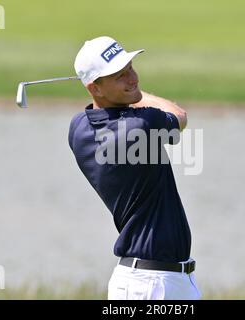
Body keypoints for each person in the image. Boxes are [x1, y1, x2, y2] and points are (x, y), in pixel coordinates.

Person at [68, 36, 201, 300]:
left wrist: (117, 91)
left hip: (153, 280)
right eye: (120, 75)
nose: (133, 78)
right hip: (152, 285)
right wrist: (136, 95)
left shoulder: (78, 128)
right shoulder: (140, 125)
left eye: (131, 68)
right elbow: (179, 116)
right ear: (95, 88)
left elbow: (98, 113)